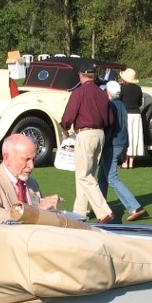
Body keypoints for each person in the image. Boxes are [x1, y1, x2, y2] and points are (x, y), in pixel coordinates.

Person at [60, 63, 114, 223]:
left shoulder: (79, 92)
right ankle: (79, 212)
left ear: (81, 76)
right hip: (100, 134)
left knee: (84, 175)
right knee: (84, 174)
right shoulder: (102, 93)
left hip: (85, 134)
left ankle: (104, 212)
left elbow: (68, 116)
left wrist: (64, 129)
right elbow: (110, 119)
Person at [0, 133, 61, 224]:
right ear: (7, 157)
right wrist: (35, 211)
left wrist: (50, 211)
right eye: (26, 159)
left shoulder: (32, 184)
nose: (31, 166)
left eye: (33, 160)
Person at [98, 80, 147, 222]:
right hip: (121, 143)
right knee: (102, 175)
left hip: (113, 144)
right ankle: (100, 206)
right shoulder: (121, 105)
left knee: (112, 177)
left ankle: (134, 207)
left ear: (108, 92)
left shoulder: (111, 105)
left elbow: (109, 127)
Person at [118, 67, 144, 169]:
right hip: (136, 115)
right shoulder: (138, 89)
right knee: (134, 137)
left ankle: (124, 161)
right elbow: (139, 103)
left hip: (126, 114)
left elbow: (119, 101)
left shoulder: (122, 88)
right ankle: (131, 162)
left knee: (126, 137)